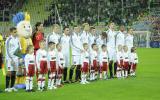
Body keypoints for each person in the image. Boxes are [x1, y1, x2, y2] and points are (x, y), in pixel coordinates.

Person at [5, 27, 21, 92]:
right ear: (11, 32)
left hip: (16, 58)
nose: (15, 33)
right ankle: (6, 88)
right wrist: (11, 59)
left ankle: (12, 87)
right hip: (10, 59)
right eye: (14, 32)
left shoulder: (17, 39)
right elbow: (7, 50)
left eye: (16, 32)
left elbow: (19, 49)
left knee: (14, 72)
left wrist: (19, 57)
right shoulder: (8, 40)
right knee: (9, 73)